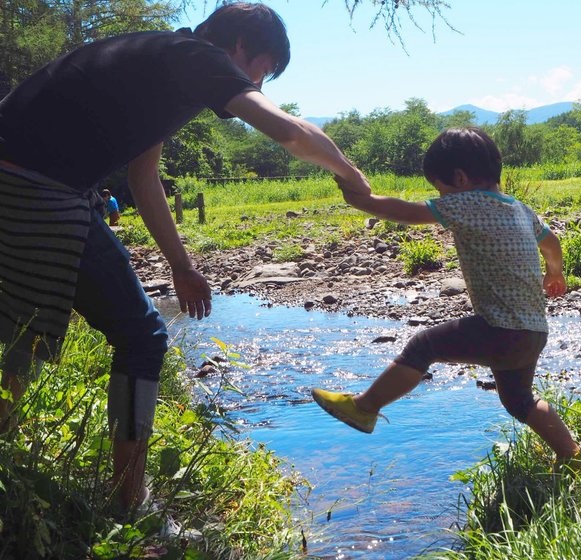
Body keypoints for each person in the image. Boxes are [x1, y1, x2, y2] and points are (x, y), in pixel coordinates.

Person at [0, 2, 369, 516]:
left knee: (16, 331)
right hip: (34, 187)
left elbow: (142, 178)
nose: (259, 84)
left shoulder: (160, 64)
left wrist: (181, 265)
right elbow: (287, 132)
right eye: (262, 70)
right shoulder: (196, 56)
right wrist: (353, 177)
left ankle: (15, 469)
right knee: (138, 338)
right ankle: (129, 506)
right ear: (239, 47)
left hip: (31, 181)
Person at [312, 127, 581, 470]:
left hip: (500, 330)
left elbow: (406, 213)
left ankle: (364, 408)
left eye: (440, 189)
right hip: (533, 332)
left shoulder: (466, 202)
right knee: (520, 401)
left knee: (423, 346)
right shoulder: (521, 210)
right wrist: (555, 271)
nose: (441, 197)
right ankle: (573, 456)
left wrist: (363, 201)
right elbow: (552, 242)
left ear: (459, 178)